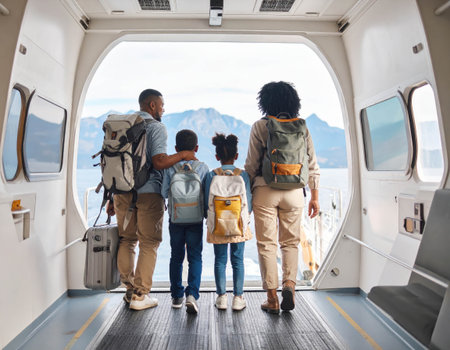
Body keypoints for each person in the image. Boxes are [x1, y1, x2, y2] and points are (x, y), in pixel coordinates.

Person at [107, 89, 197, 311]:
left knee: (127, 240)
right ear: (152, 105)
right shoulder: (156, 127)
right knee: (149, 242)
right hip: (149, 192)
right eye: (162, 105)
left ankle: (129, 290)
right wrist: (183, 155)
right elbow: (158, 162)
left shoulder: (124, 126)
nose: (164, 109)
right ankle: (140, 294)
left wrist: (110, 195)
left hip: (121, 190)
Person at [244, 81, 320, 314]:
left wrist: (247, 198)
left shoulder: (260, 126)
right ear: (292, 101)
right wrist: (314, 197)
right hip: (295, 193)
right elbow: (313, 165)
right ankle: (289, 285)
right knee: (290, 243)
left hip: (265, 190)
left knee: (267, 244)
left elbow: (251, 165)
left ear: (265, 101)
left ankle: (272, 299)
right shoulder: (302, 127)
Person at [161, 129, 209, 314]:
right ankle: (192, 295)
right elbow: (206, 195)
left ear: (176, 148)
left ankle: (176, 296)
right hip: (196, 219)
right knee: (195, 256)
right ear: (196, 148)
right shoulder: (203, 168)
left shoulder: (170, 168)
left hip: (176, 219)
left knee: (176, 256)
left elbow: (164, 193)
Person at [203, 133, 252, 311]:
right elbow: (249, 202)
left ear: (217, 157)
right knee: (238, 260)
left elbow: (205, 202)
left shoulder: (211, 175)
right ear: (236, 156)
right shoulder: (243, 175)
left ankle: (221, 297)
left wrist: (208, 219)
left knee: (220, 260)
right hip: (239, 224)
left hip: (218, 225)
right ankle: (238, 298)